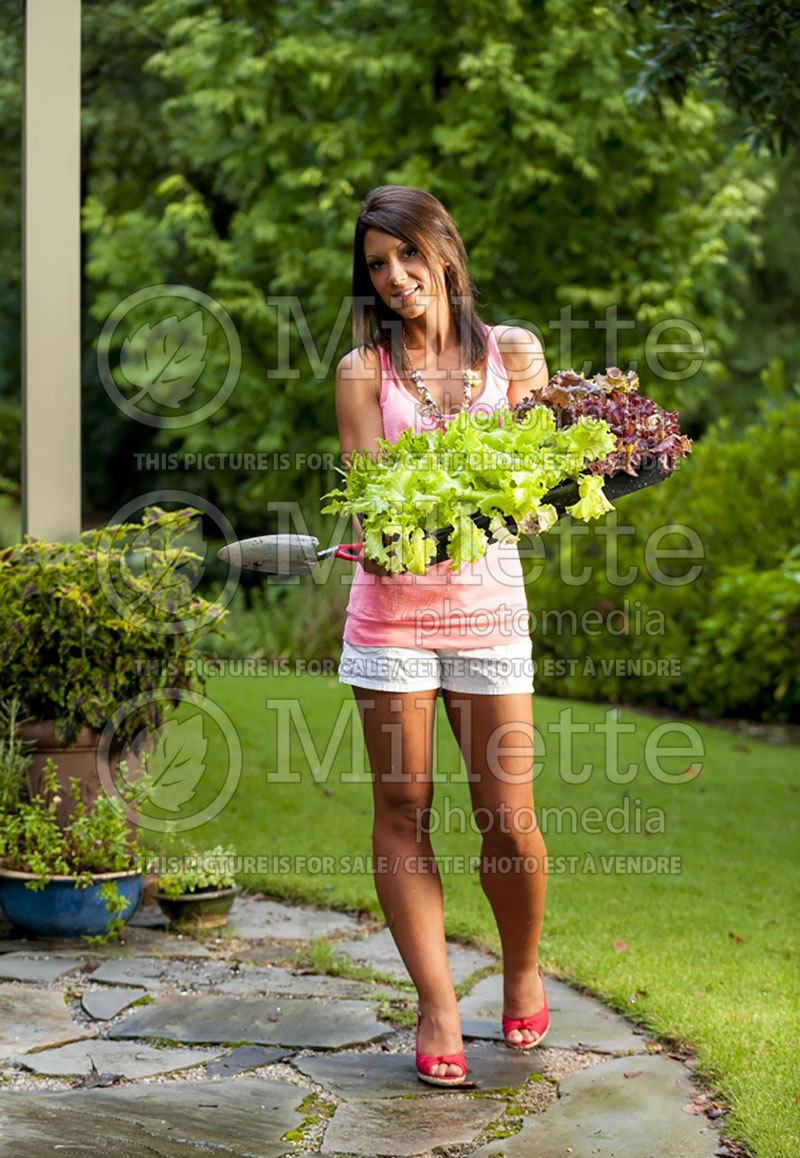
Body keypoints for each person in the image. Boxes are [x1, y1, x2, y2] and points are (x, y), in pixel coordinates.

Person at [333, 185, 550, 1087]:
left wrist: (521, 502)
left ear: (446, 252)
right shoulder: (359, 371)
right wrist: (386, 531)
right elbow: (368, 492)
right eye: (379, 265)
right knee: (402, 810)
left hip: (490, 611)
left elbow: (542, 481)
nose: (395, 278)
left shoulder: (513, 353)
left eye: (409, 257)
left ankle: (522, 965)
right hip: (391, 619)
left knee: (508, 816)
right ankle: (436, 1004)